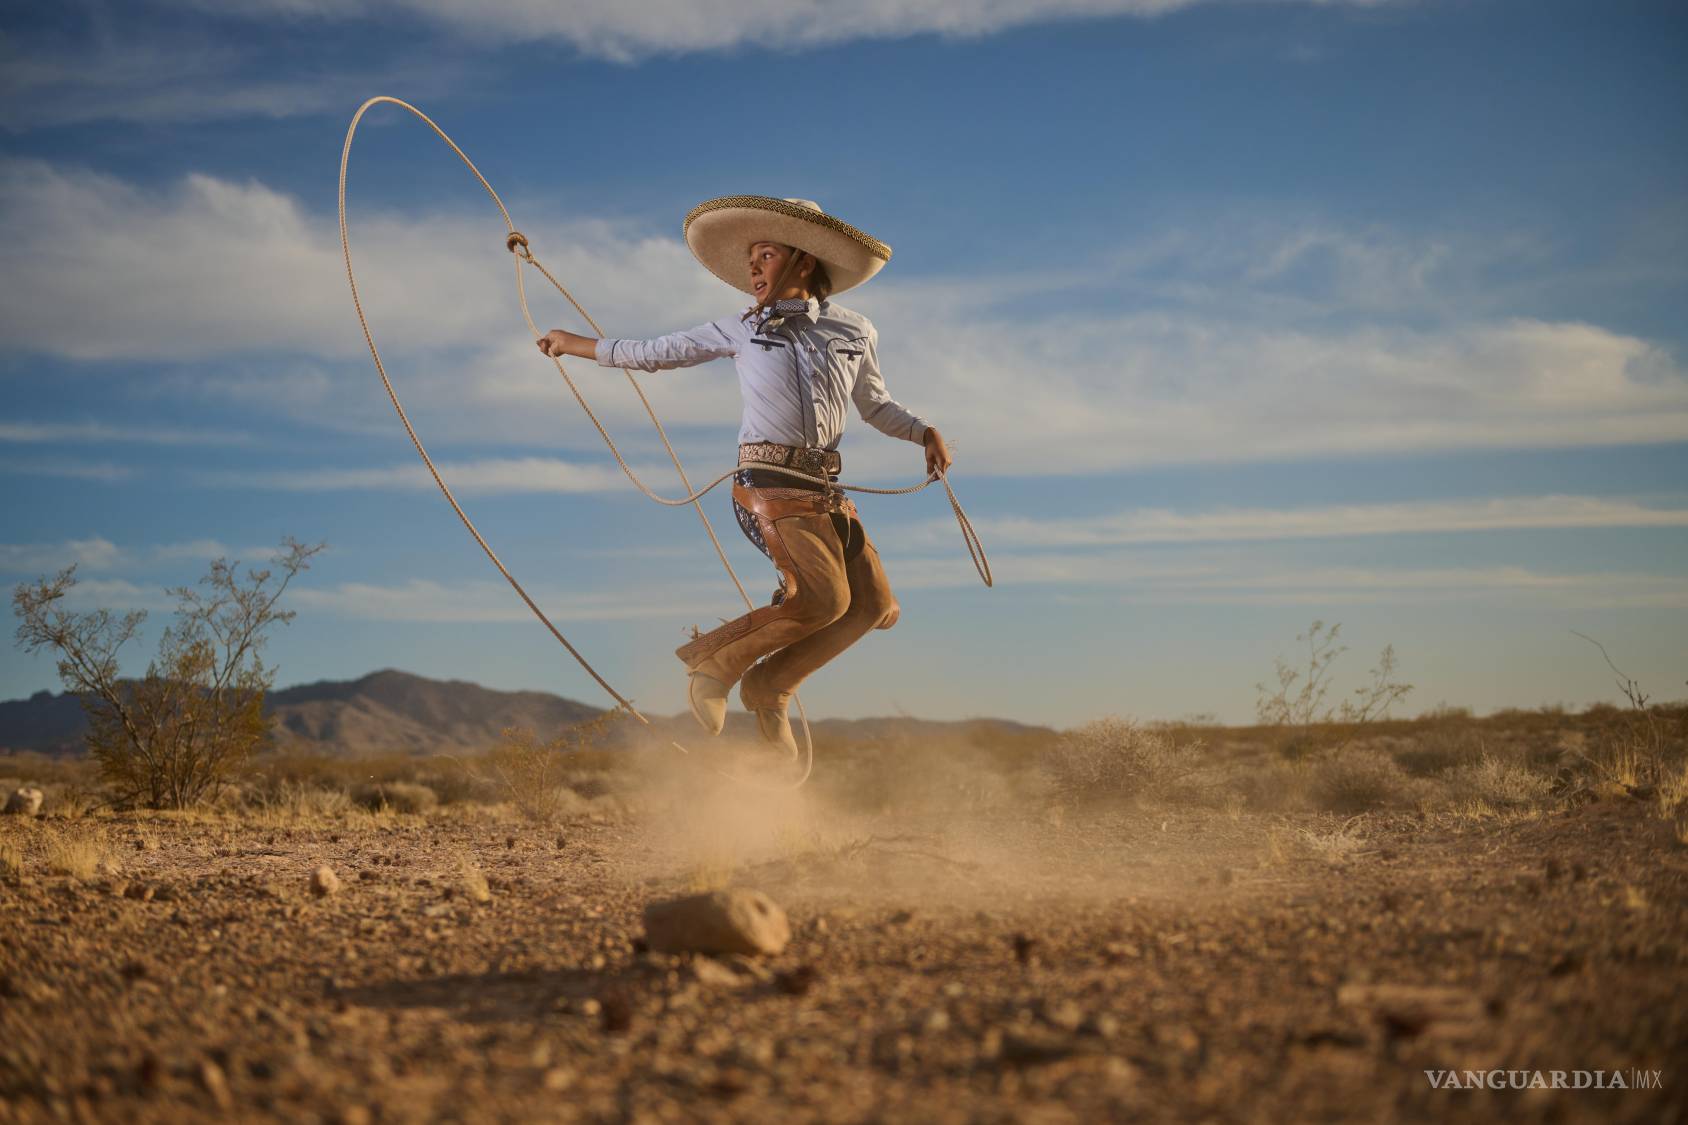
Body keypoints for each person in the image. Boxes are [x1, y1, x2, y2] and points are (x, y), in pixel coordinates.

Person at [537, 195, 951, 756]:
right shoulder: (738, 328)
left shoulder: (855, 330)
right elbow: (654, 352)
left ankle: (770, 685)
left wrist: (923, 432)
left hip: (825, 490)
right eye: (752, 258)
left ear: (803, 261)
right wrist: (574, 345)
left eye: (766, 255)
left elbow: (875, 405)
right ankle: (715, 668)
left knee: (874, 605)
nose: (753, 269)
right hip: (765, 485)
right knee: (824, 601)